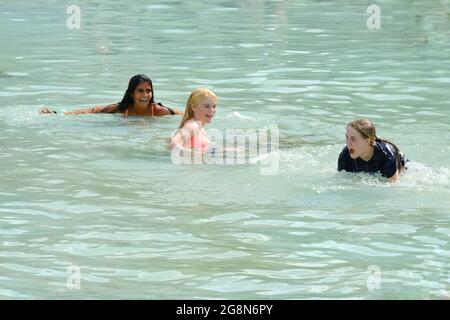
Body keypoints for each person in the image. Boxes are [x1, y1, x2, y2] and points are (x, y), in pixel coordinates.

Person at [39, 74, 182, 116]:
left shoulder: (157, 111)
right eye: (140, 91)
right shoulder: (122, 109)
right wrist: (58, 113)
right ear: (131, 94)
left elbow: (184, 114)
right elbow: (93, 110)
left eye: (148, 90)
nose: (145, 95)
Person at [338, 118, 407, 182]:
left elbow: (394, 186)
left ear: (368, 141)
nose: (348, 143)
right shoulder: (345, 156)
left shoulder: (386, 155)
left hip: (402, 166)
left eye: (353, 139)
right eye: (347, 137)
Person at [169, 88, 217, 154]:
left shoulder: (200, 127)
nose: (212, 110)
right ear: (193, 107)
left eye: (214, 106)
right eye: (207, 106)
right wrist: (193, 154)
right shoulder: (192, 126)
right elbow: (173, 144)